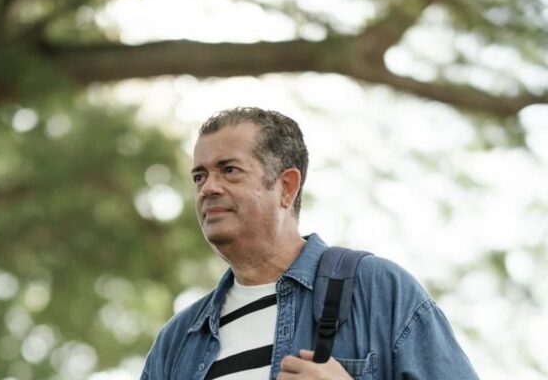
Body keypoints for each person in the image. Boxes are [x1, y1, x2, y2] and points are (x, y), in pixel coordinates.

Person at [141, 107, 478, 379]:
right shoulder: (177, 341)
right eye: (199, 176)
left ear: (286, 187)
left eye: (228, 170)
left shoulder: (378, 290)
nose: (208, 188)